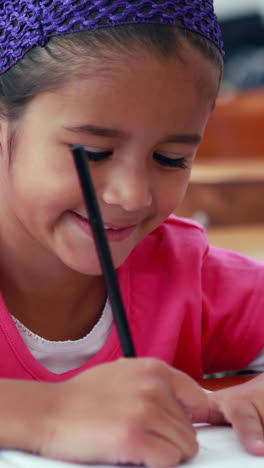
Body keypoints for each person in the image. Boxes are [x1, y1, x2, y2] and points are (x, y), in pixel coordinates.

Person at [0, 0, 264, 466]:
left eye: (171, 159)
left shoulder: (188, 275)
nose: (132, 196)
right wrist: (47, 415)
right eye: (95, 152)